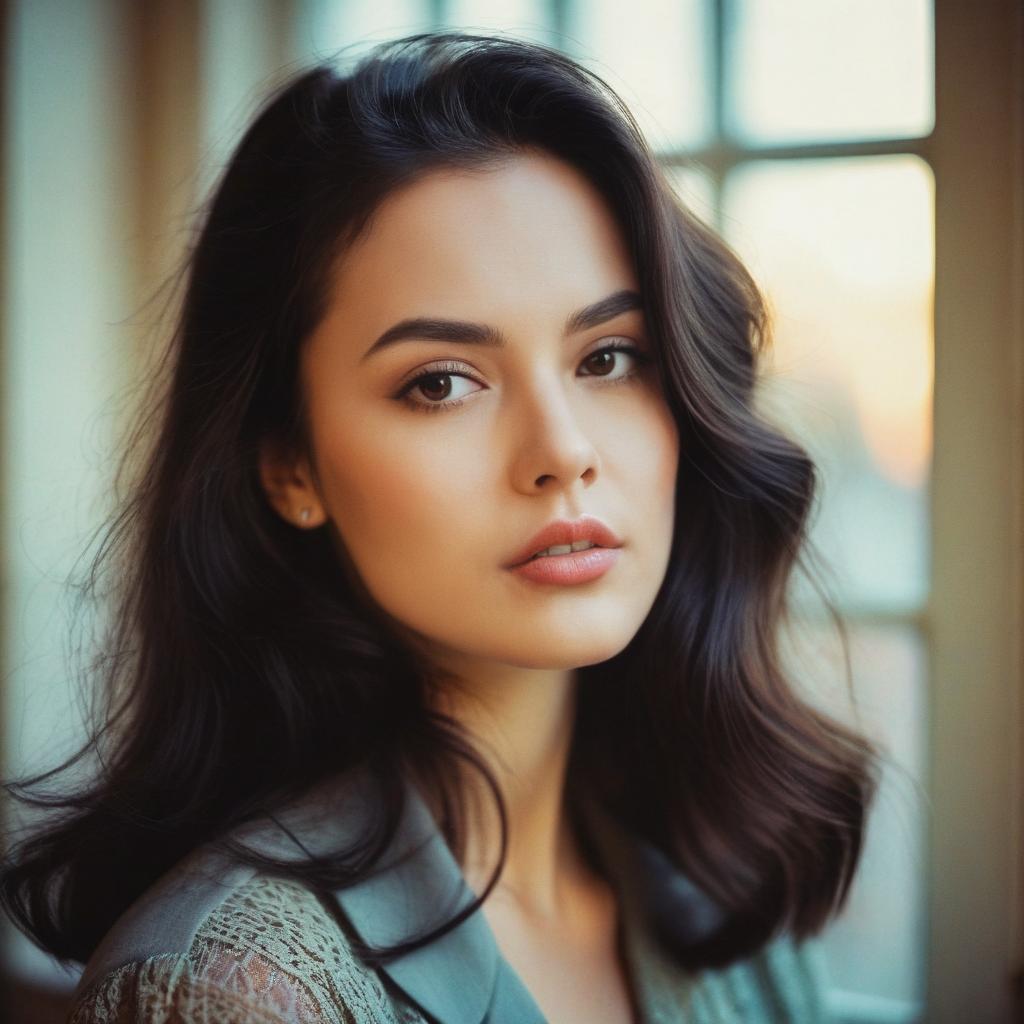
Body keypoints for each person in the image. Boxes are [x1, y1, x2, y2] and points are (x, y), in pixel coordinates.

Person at [0, 30, 880, 1023]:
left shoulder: (726, 897)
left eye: (607, 357)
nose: (562, 450)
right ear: (290, 466)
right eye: (442, 382)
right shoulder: (234, 990)